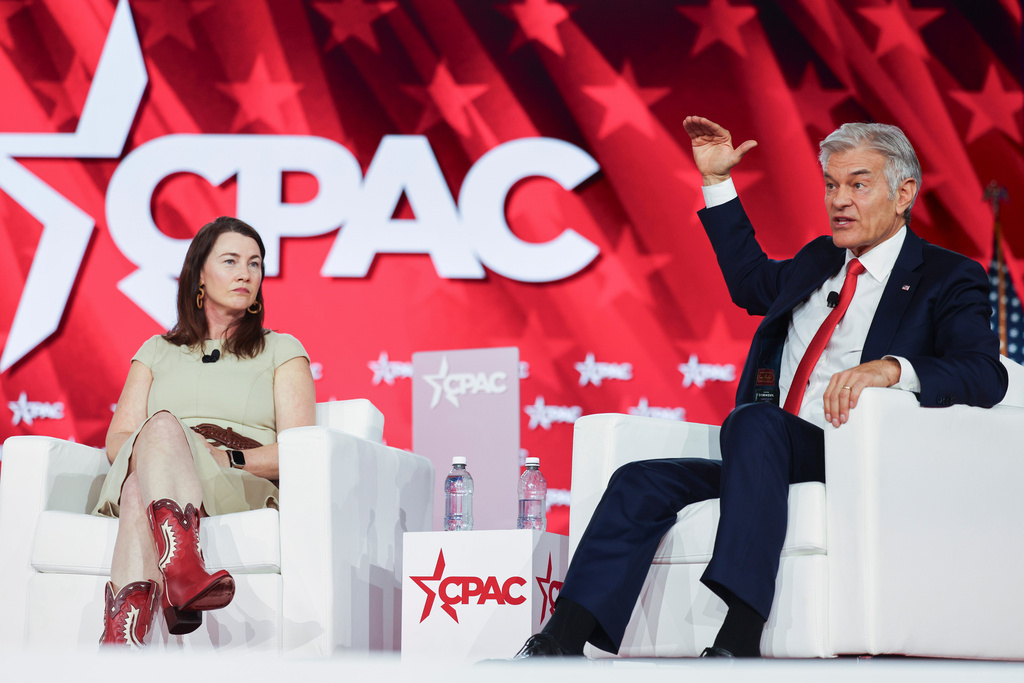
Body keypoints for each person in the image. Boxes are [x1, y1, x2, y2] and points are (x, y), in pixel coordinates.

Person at [514, 117, 1007, 659]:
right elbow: (750, 283)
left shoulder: (946, 275)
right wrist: (717, 182)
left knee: (753, 420)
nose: (839, 200)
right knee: (640, 481)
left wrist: (890, 369)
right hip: (765, 453)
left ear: (903, 193)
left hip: (851, 455)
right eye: (830, 185)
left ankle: (740, 637)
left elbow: (985, 373)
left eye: (858, 185)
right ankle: (558, 644)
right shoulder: (820, 261)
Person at [95, 216, 315, 647]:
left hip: (234, 482)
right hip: (163, 471)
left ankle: (121, 640)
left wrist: (225, 457)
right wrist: (168, 446)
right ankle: (182, 574)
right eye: (231, 261)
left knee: (143, 481)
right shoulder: (155, 351)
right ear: (199, 275)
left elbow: (301, 448)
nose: (245, 274)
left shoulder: (282, 350)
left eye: (255, 264)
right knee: (155, 443)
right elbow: (117, 440)